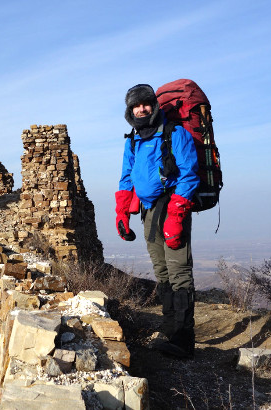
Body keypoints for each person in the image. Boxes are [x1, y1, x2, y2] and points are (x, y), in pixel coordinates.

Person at [115, 83, 199, 358]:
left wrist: (176, 216)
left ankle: (184, 341)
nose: (141, 109)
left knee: (178, 272)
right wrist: (122, 213)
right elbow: (127, 177)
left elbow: (189, 175)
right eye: (135, 106)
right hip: (148, 210)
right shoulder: (133, 139)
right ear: (130, 111)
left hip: (173, 206)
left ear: (154, 105)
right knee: (162, 272)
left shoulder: (175, 134)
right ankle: (169, 330)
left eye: (145, 104)